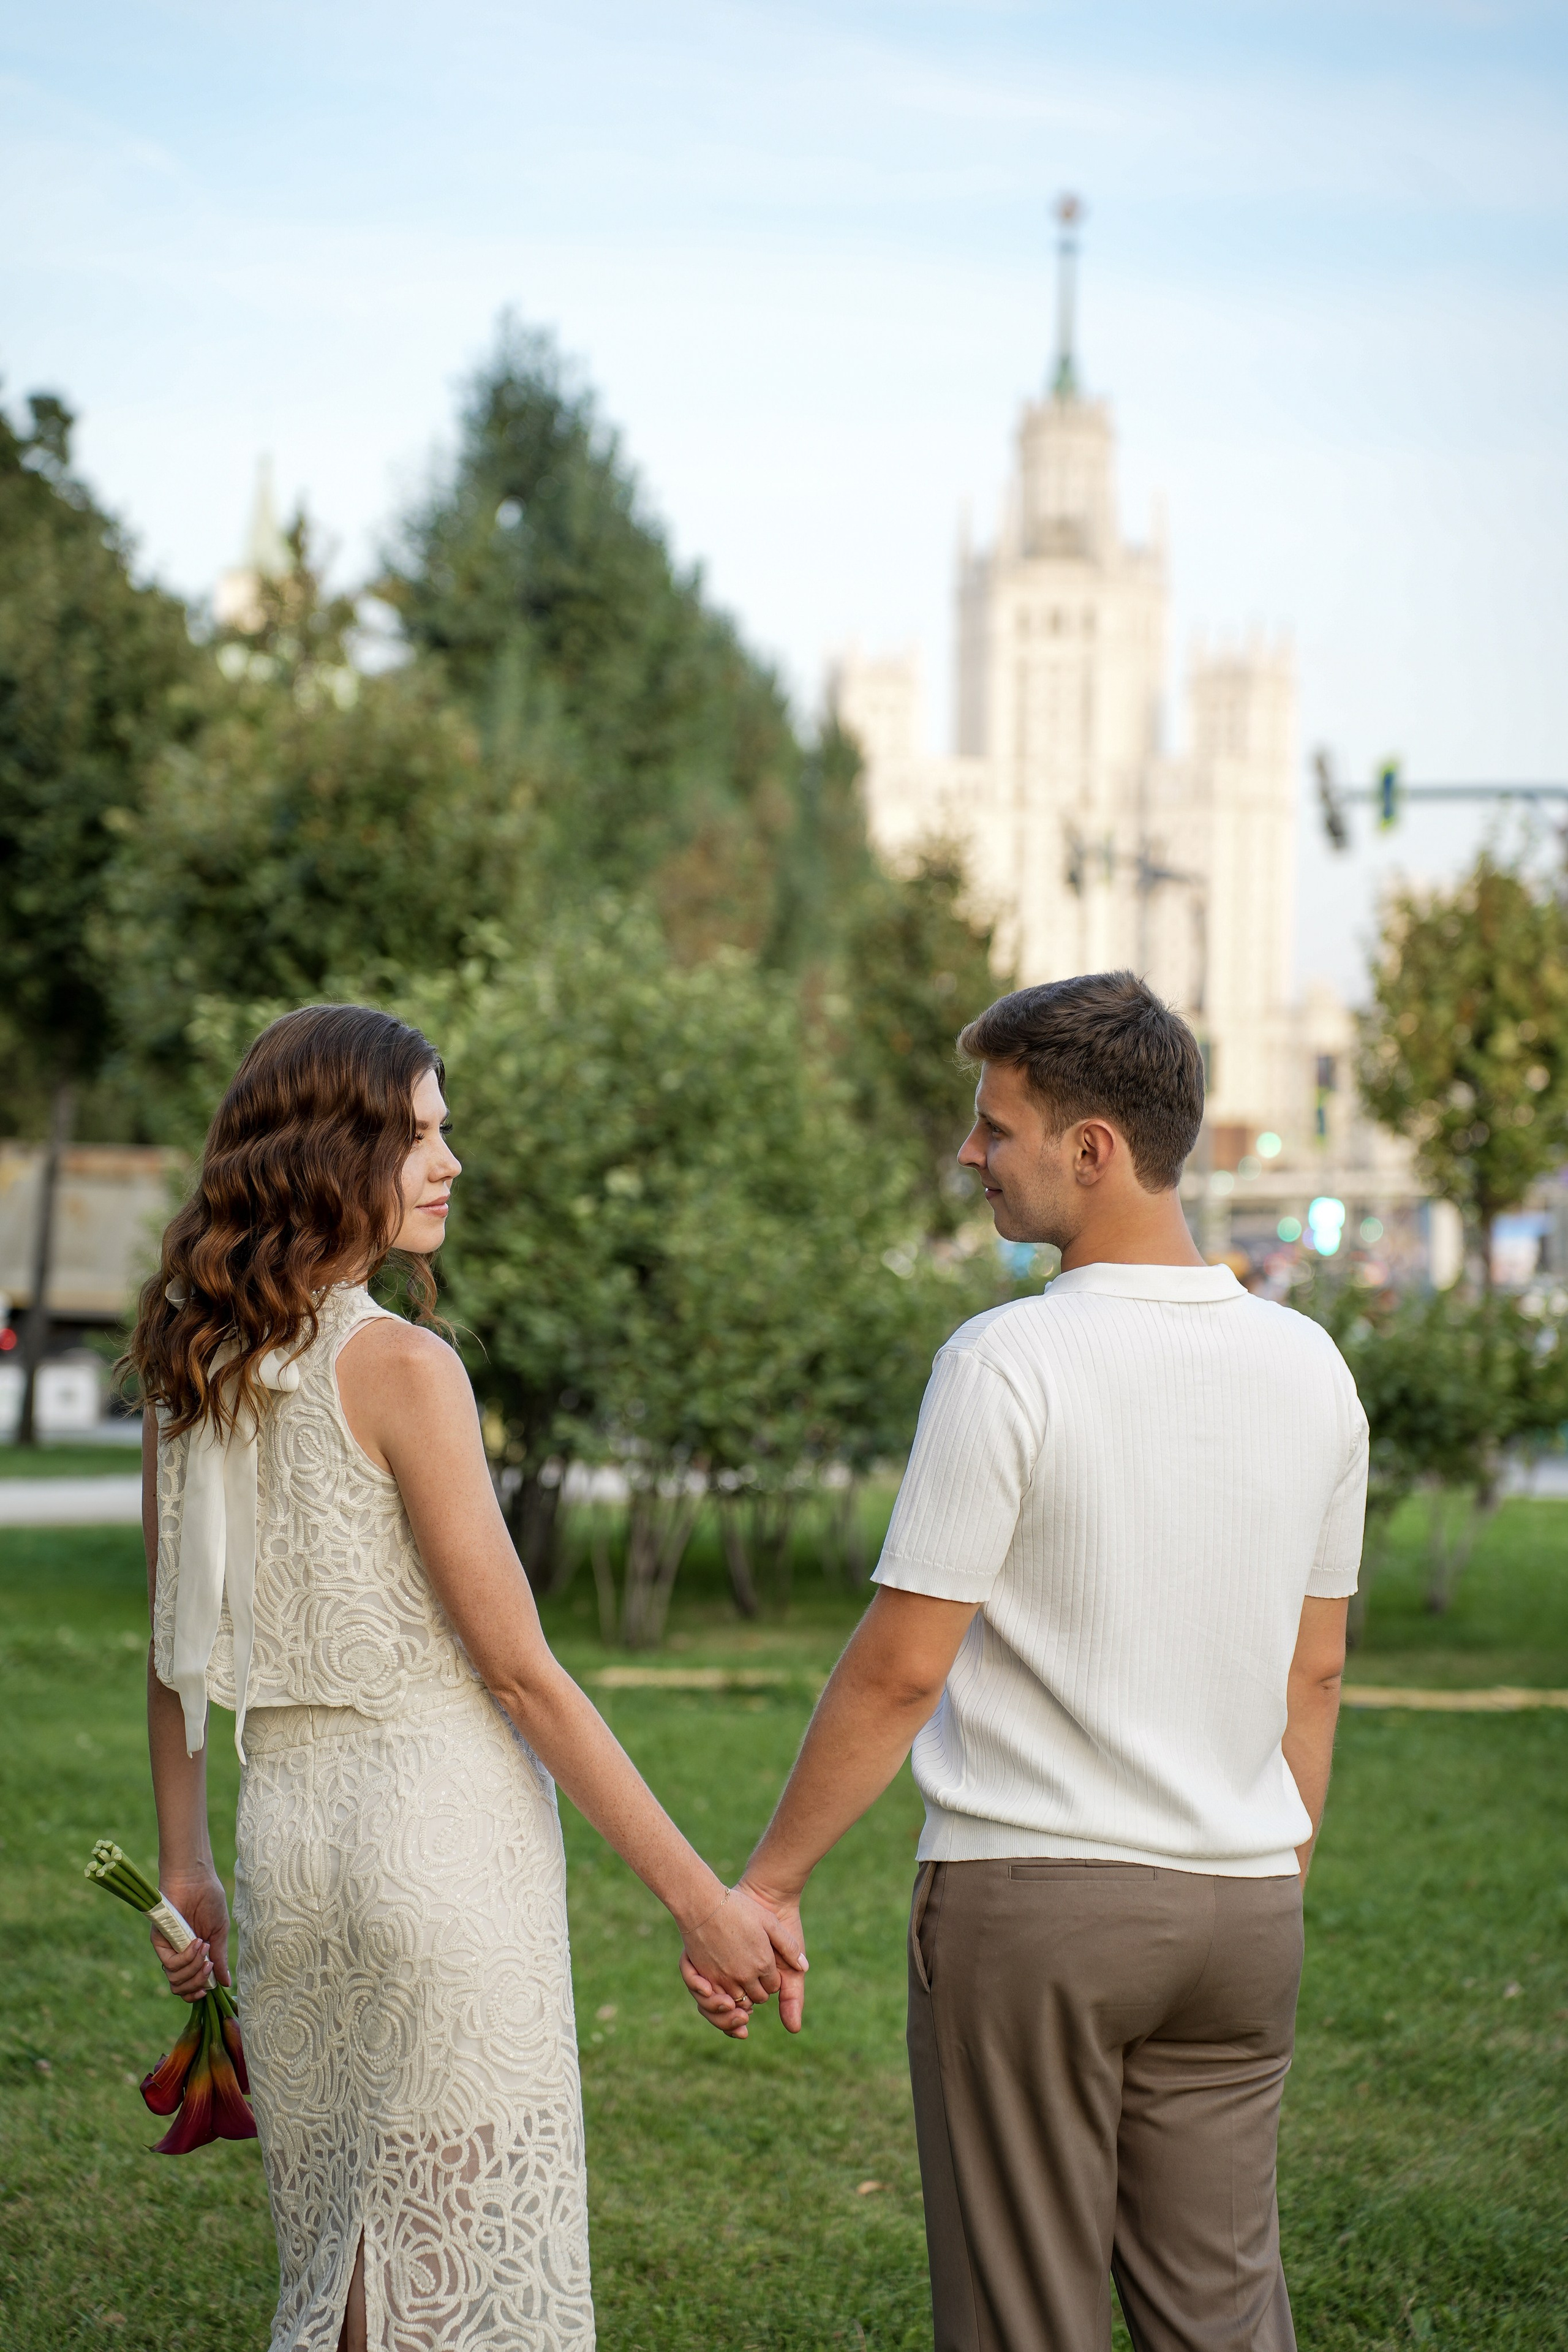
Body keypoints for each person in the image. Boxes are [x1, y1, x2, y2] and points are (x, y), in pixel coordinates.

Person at [685, 971, 1367, 2352]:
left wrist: (770, 1883)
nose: (969, 1152)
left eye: (995, 1127)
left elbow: (902, 1668)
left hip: (1037, 1907)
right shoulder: (1313, 1367)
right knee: (1226, 2319)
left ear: (1092, 1149)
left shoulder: (1008, 1361)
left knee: (1023, 2320)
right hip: (1244, 1912)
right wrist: (1263, 1867)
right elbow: (1316, 1676)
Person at [130, 1004, 799, 2352]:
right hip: (440, 1842)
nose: (449, 1163)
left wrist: (185, 1867)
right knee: (458, 2263)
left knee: (342, 2257)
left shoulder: (189, 1367)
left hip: (288, 1848)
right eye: (419, 1135)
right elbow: (520, 1673)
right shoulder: (401, 1366)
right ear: (331, 1153)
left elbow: (172, 1655)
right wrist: (702, 1904)